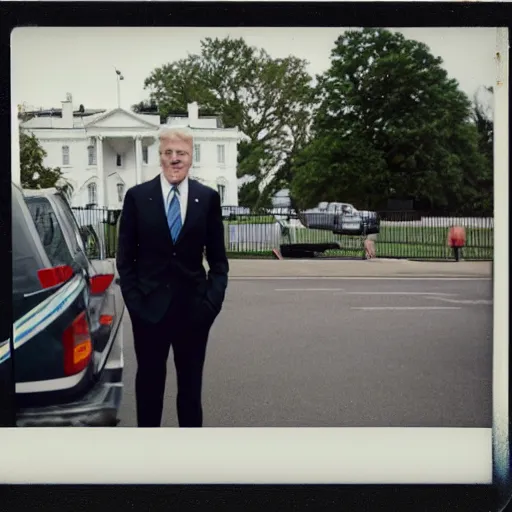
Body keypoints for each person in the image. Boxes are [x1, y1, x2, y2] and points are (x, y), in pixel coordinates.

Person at [116, 127, 229, 428]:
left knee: (190, 394)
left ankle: (189, 463)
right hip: (149, 312)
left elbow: (219, 263)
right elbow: (125, 261)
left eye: (181, 153)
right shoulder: (138, 198)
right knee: (149, 390)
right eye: (169, 153)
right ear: (160, 156)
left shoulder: (207, 199)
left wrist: (209, 307)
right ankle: (149, 461)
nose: (175, 159)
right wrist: (137, 307)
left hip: (193, 313)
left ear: (191, 158)